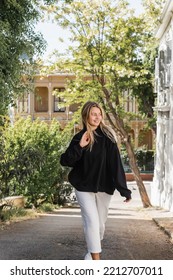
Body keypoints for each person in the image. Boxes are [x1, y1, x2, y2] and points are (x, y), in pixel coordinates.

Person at [60, 101, 132, 260]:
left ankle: (91, 256)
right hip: (83, 187)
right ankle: (96, 261)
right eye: (94, 114)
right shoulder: (79, 137)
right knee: (92, 222)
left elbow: (116, 165)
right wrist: (79, 146)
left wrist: (124, 189)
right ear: (86, 115)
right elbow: (65, 161)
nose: (97, 117)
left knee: (99, 225)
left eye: (99, 114)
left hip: (104, 187)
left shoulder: (108, 137)